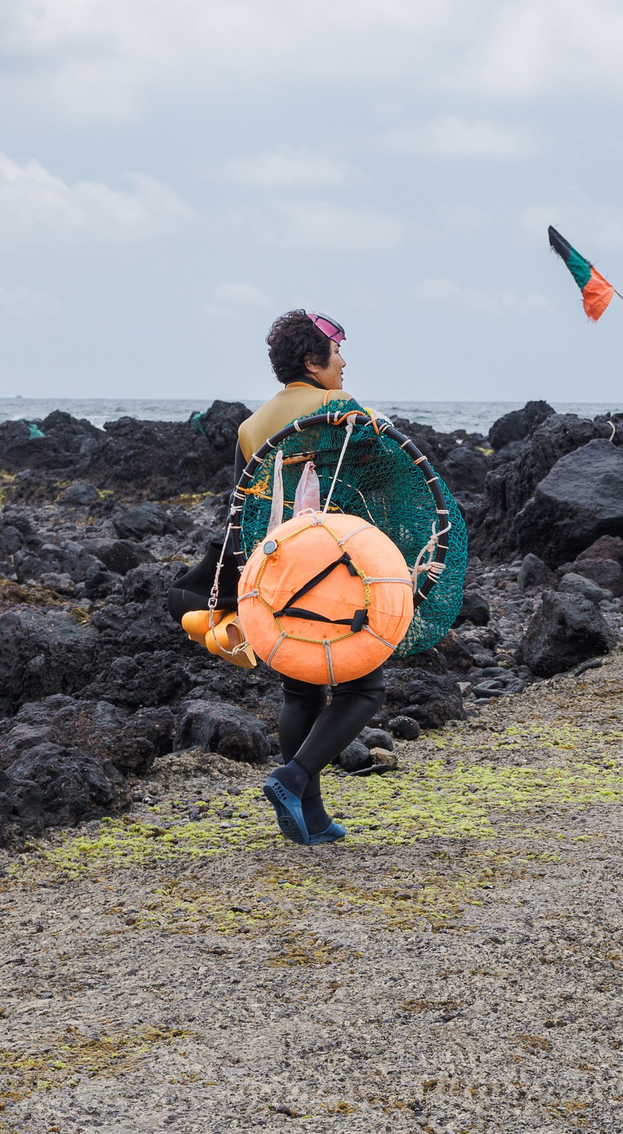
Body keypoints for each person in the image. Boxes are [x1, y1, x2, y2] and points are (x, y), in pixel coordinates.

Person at [168, 308, 391, 847]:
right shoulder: (339, 406)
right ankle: (291, 778)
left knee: (302, 689)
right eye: (337, 353)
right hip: (335, 565)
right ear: (314, 361)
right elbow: (379, 476)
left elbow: (245, 507)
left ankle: (309, 819)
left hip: (278, 566)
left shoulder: (249, 427)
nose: (343, 363)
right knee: (363, 688)